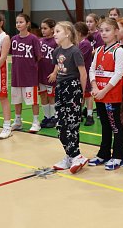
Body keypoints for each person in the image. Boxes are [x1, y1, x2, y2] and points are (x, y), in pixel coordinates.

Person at [88, 19, 123, 170]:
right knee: (105, 125)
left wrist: (103, 91)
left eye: (107, 30)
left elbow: (118, 74)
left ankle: (118, 156)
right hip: (99, 94)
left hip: (111, 95)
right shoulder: (98, 50)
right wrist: (94, 86)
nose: (103, 33)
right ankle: (103, 153)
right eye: (101, 30)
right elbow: (92, 69)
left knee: (115, 126)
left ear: (116, 31)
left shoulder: (119, 51)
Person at [51, 21, 88, 174]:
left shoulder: (75, 51)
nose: (54, 34)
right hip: (60, 88)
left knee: (72, 125)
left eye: (57, 31)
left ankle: (74, 155)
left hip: (73, 88)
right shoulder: (56, 52)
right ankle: (73, 155)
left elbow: (83, 73)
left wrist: (82, 94)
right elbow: (57, 69)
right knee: (60, 125)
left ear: (67, 33)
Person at [10, 14, 41, 133]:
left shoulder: (33, 39)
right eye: (17, 22)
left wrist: (31, 67)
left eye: (21, 22)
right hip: (16, 76)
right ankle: (18, 121)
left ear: (27, 23)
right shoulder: (13, 39)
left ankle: (35, 121)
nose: (18, 24)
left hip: (29, 76)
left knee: (33, 101)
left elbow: (38, 56)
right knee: (16, 100)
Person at [74, 22, 94, 126]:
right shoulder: (77, 43)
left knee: (87, 94)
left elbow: (78, 57)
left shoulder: (85, 44)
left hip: (85, 72)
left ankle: (90, 115)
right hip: (78, 73)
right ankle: (80, 113)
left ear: (80, 33)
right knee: (80, 93)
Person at [39, 18, 57, 128]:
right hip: (41, 74)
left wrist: (55, 72)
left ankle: (54, 117)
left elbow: (59, 59)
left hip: (51, 74)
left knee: (51, 96)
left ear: (52, 29)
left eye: (45, 28)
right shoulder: (40, 41)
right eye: (42, 28)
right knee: (43, 95)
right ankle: (47, 117)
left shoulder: (56, 42)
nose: (43, 30)